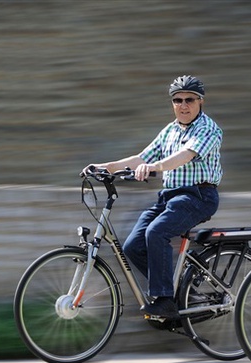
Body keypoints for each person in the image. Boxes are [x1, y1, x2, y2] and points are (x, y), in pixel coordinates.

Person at [82, 75, 223, 319]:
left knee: (156, 232)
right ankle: (178, 291)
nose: (183, 105)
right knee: (133, 246)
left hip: (199, 196)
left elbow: (185, 156)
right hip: (169, 197)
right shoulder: (169, 130)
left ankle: (165, 300)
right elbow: (142, 157)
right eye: (177, 100)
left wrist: (155, 167)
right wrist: (106, 166)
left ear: (201, 102)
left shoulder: (208, 129)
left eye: (189, 99)